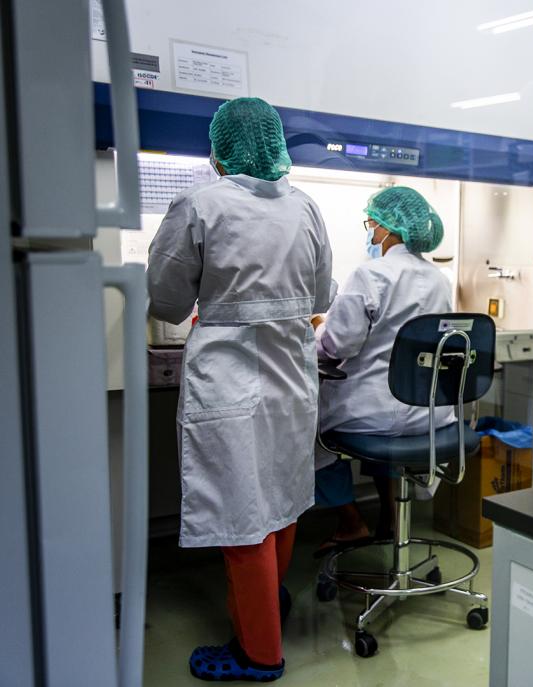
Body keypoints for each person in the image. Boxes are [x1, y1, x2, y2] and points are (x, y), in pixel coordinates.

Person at [147, 97, 332, 682]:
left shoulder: (200, 204)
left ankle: (258, 653)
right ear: (277, 144)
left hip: (229, 377)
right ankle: (266, 610)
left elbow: (168, 302)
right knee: (279, 501)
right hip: (293, 379)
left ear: (218, 149)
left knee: (242, 514)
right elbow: (322, 299)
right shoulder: (306, 208)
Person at [312, 186, 453, 555]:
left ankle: (350, 523)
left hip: (374, 416)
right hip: (432, 417)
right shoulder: (440, 279)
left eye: (372, 225)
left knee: (306, 435)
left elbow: (337, 345)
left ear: (389, 230)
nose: (371, 233)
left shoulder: (370, 275)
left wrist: (316, 327)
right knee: (392, 435)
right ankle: (392, 520)